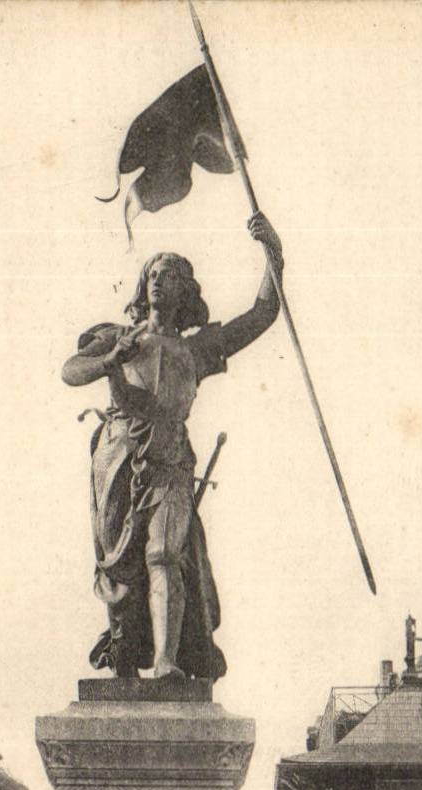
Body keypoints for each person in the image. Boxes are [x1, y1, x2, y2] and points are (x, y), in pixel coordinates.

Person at [63, 213, 284, 683]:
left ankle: (166, 662)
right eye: (154, 274)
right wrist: (109, 361)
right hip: (119, 460)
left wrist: (274, 257)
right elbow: (70, 370)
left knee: (165, 554)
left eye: (170, 276)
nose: (159, 281)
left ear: (186, 291)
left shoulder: (199, 349)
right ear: (143, 286)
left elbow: (261, 315)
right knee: (120, 566)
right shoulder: (119, 337)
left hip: (170, 460)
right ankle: (124, 659)